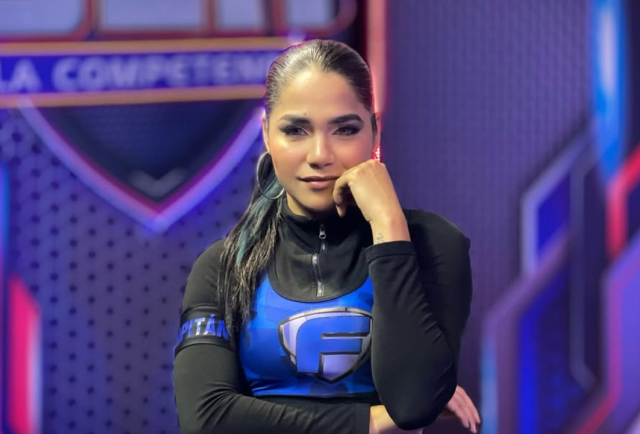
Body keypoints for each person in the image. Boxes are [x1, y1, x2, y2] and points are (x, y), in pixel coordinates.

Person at [173, 39, 479, 434]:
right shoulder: (224, 266)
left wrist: (388, 224)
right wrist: (372, 422)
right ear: (266, 134)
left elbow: (411, 404)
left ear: (375, 131)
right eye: (296, 130)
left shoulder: (432, 244)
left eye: (345, 129)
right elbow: (207, 420)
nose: (320, 154)